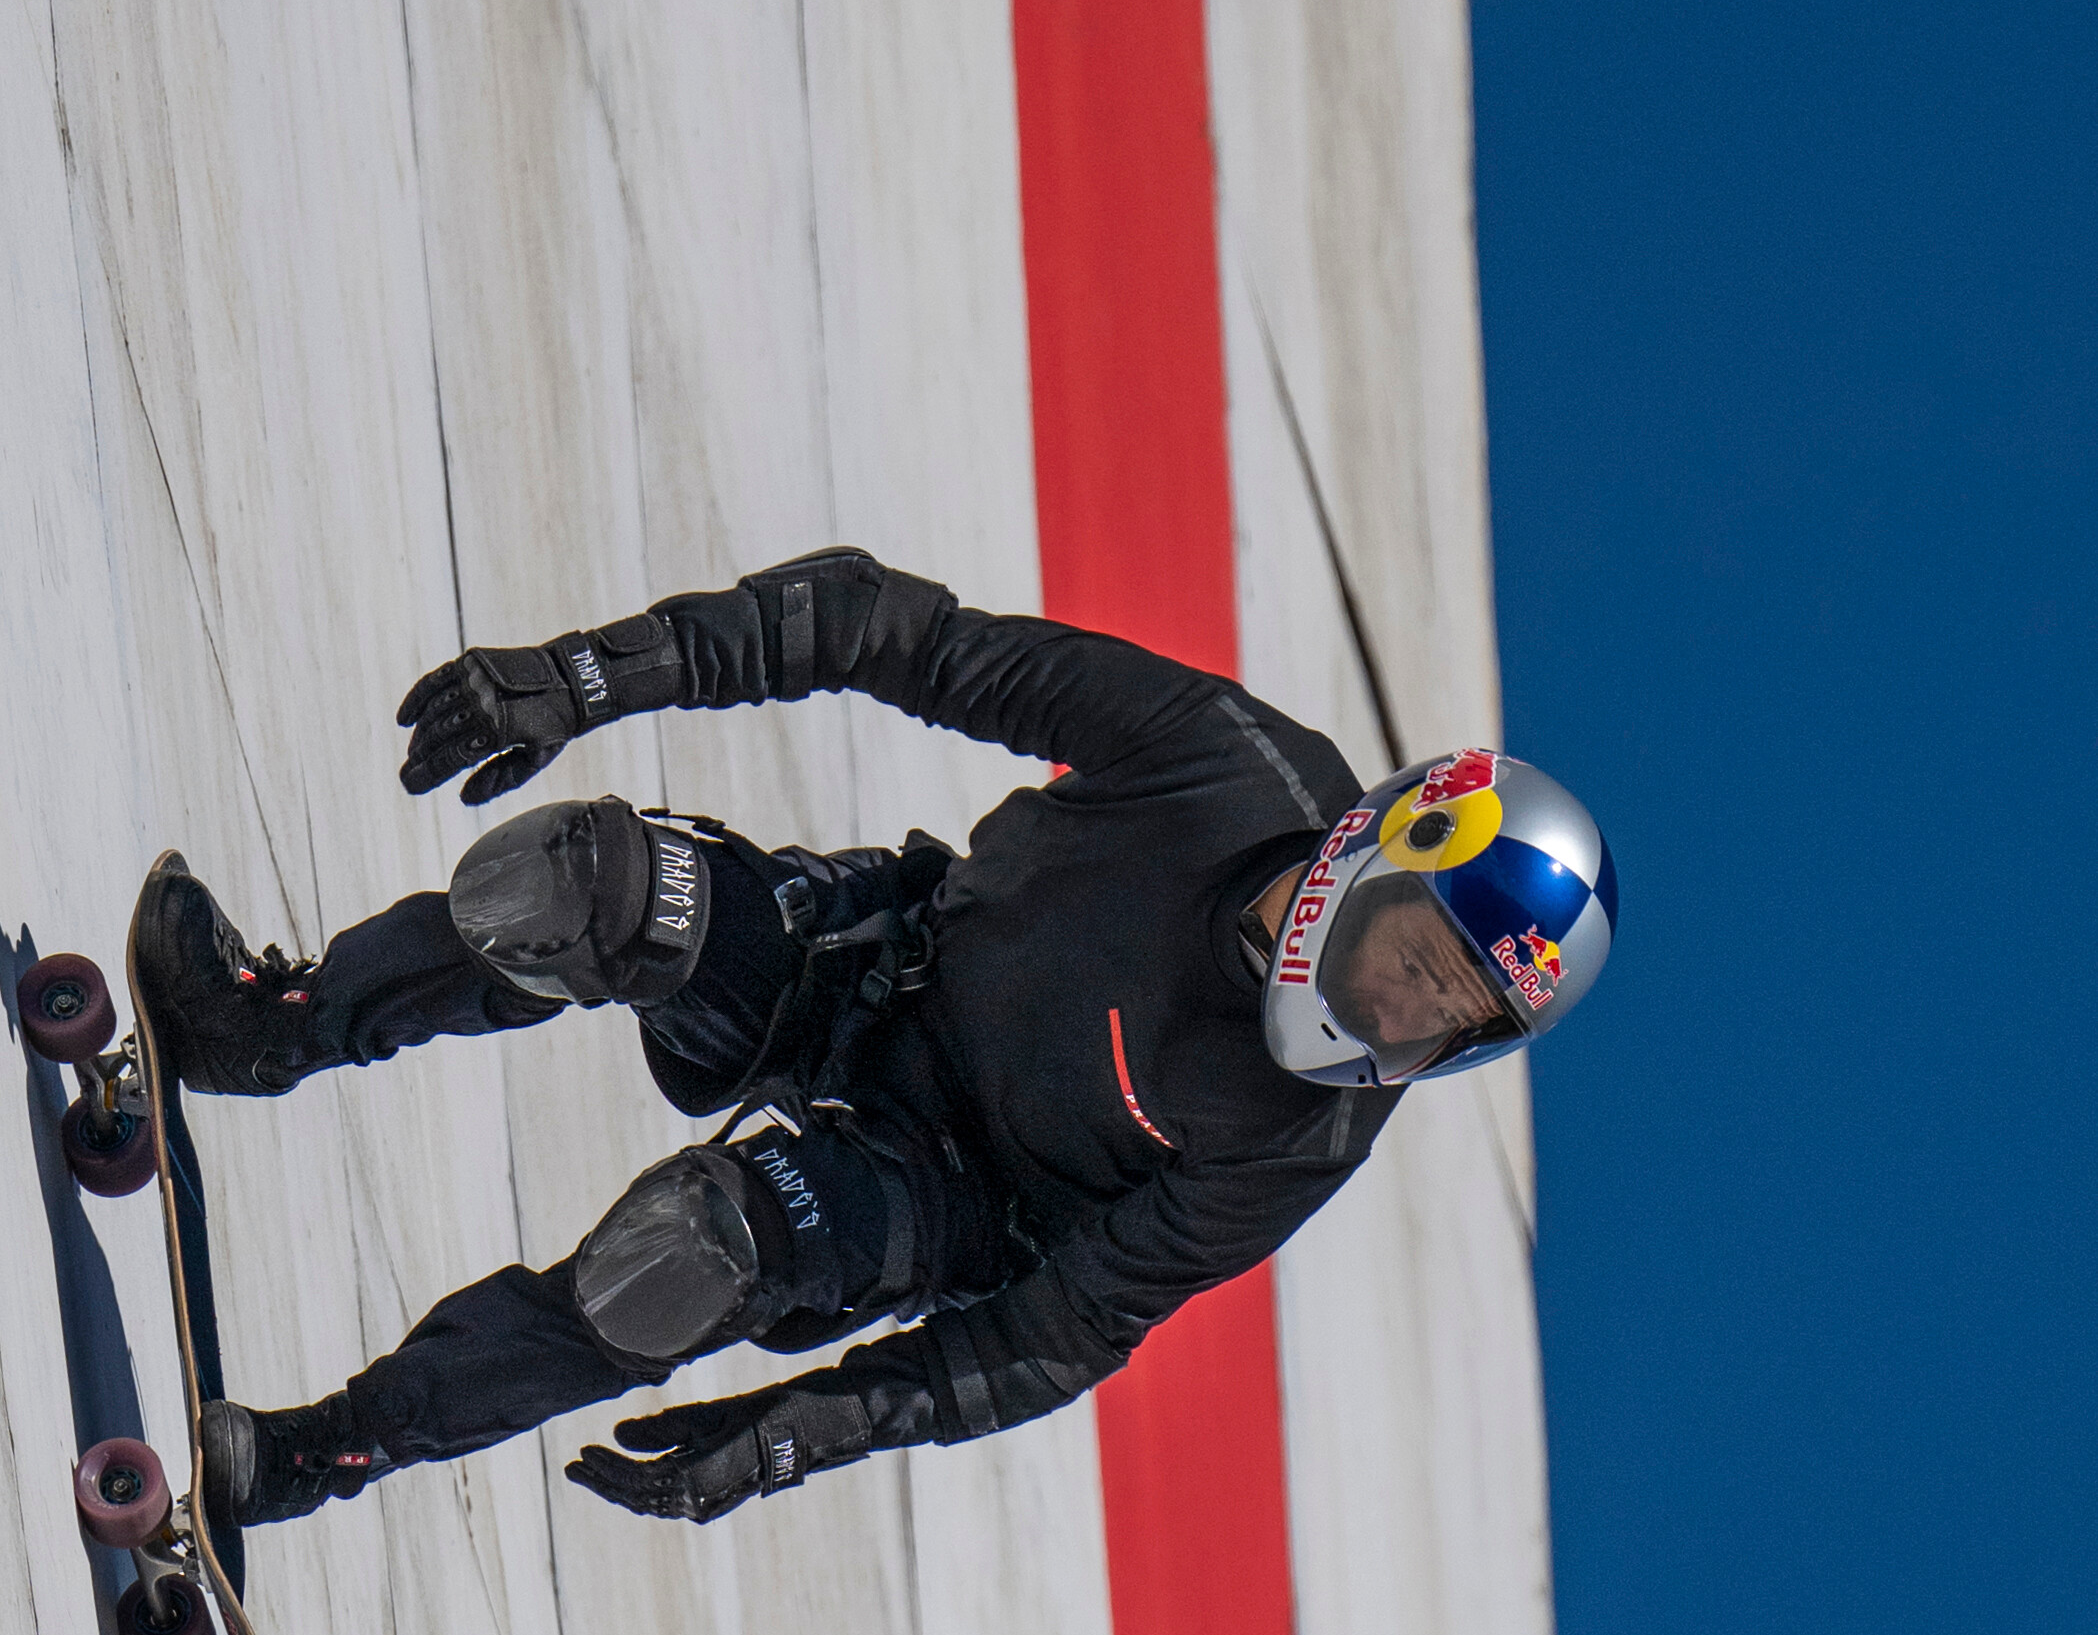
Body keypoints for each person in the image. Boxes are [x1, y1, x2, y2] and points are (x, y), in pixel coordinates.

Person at [141, 547, 1616, 1530]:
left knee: (689, 1258)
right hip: (876, 967)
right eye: (1418, 961)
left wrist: (799, 1429)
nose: (1403, 1017)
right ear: (1373, 846)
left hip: (947, 1197)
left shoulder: (1311, 1134)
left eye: (1452, 1023)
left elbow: (1058, 1336)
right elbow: (893, 635)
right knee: (583, 887)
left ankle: (327, 1447)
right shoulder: (1221, 760)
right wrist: (591, 675)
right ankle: (261, 1028)